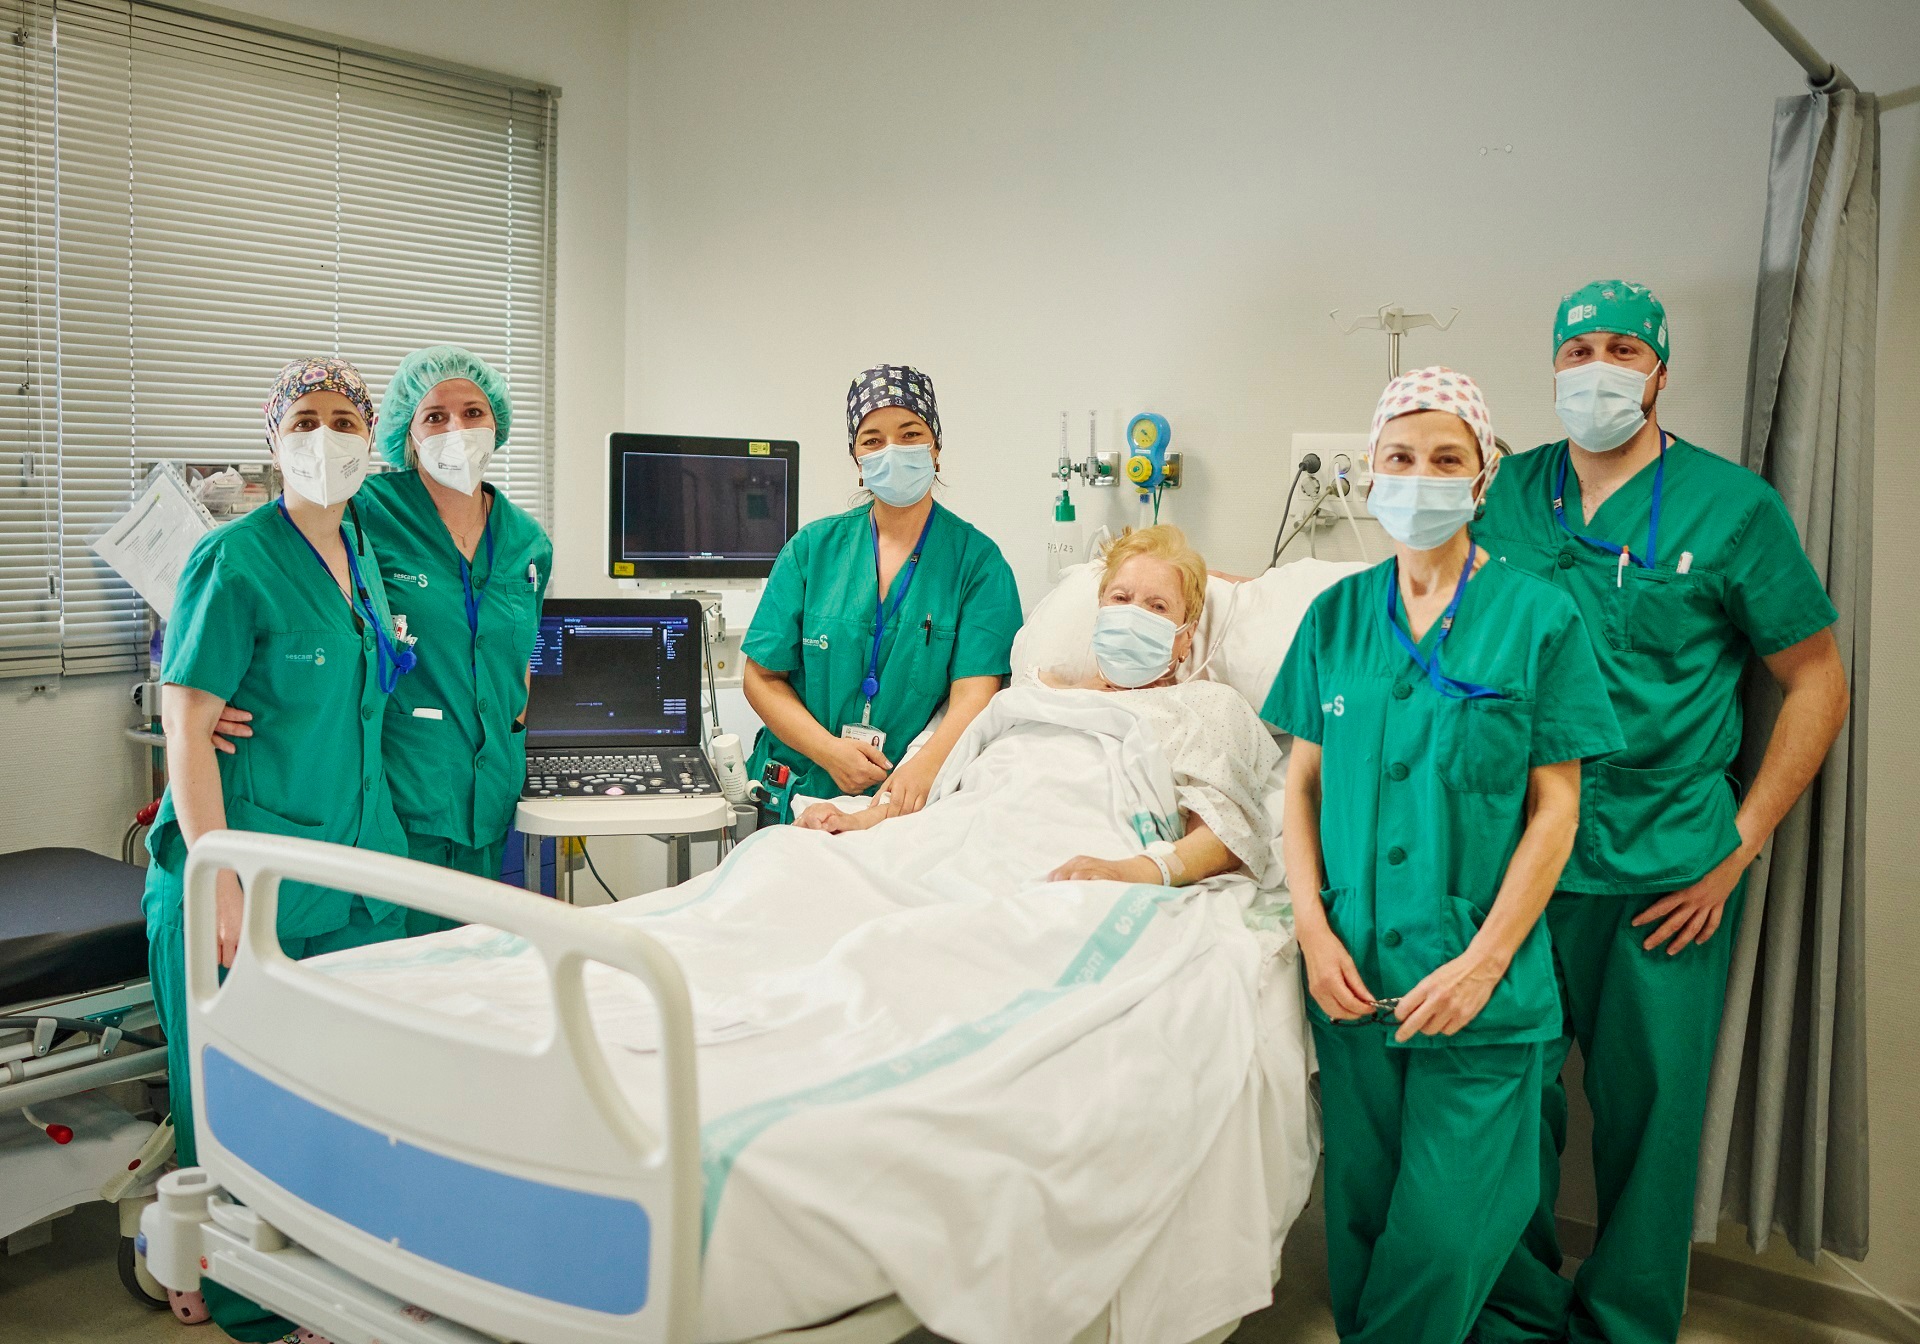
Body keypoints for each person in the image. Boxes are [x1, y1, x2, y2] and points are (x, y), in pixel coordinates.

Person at [1470, 282, 1850, 1344]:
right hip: (1517, 861)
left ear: (1660, 370)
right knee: (1506, 1108)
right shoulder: (1504, 492)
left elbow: (1817, 681)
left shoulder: (1733, 509)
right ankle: (1513, 1315)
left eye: (1622, 347)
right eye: (1578, 347)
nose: (1597, 366)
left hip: (1666, 869)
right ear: (1552, 367)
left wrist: (1742, 841)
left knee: (1650, 1127)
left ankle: (1628, 1325)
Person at [1266, 368, 1624, 1344]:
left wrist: (1486, 961)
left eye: (1445, 460)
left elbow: (1557, 809)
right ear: (1371, 471)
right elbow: (1299, 786)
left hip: (1483, 990)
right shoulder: (1334, 618)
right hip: (1354, 982)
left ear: (1482, 477)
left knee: (1441, 1236)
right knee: (1366, 1227)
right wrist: (1310, 925)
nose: (1420, 478)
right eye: (1400, 458)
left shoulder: (1540, 617)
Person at [144, 357, 413, 1344]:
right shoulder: (235, 558)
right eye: (306, 418)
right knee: (237, 1110)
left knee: (333, 1103)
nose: (326, 436)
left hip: (342, 872)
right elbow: (186, 725)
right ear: (274, 440)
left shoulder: (363, 556)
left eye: (345, 419)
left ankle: (325, 1291)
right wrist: (217, 884)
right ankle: (251, 1306)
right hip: (239, 881)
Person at [801, 524, 1276, 894]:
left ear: (1185, 637)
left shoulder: (1206, 706)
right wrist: (865, 821)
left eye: (1157, 608)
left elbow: (1224, 835)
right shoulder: (1037, 692)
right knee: (792, 866)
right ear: (1100, 610)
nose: (1134, 615)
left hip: (1074, 853)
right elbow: (947, 781)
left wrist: (1133, 871)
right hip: (960, 841)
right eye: (1122, 598)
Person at [742, 365, 1021, 823]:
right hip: (800, 783)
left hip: (905, 800)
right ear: (857, 460)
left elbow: (977, 691)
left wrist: (925, 767)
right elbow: (761, 677)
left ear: (936, 449)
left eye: (910, 433)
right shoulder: (811, 551)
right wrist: (829, 752)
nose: (892, 451)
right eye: (873, 440)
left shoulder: (977, 563)